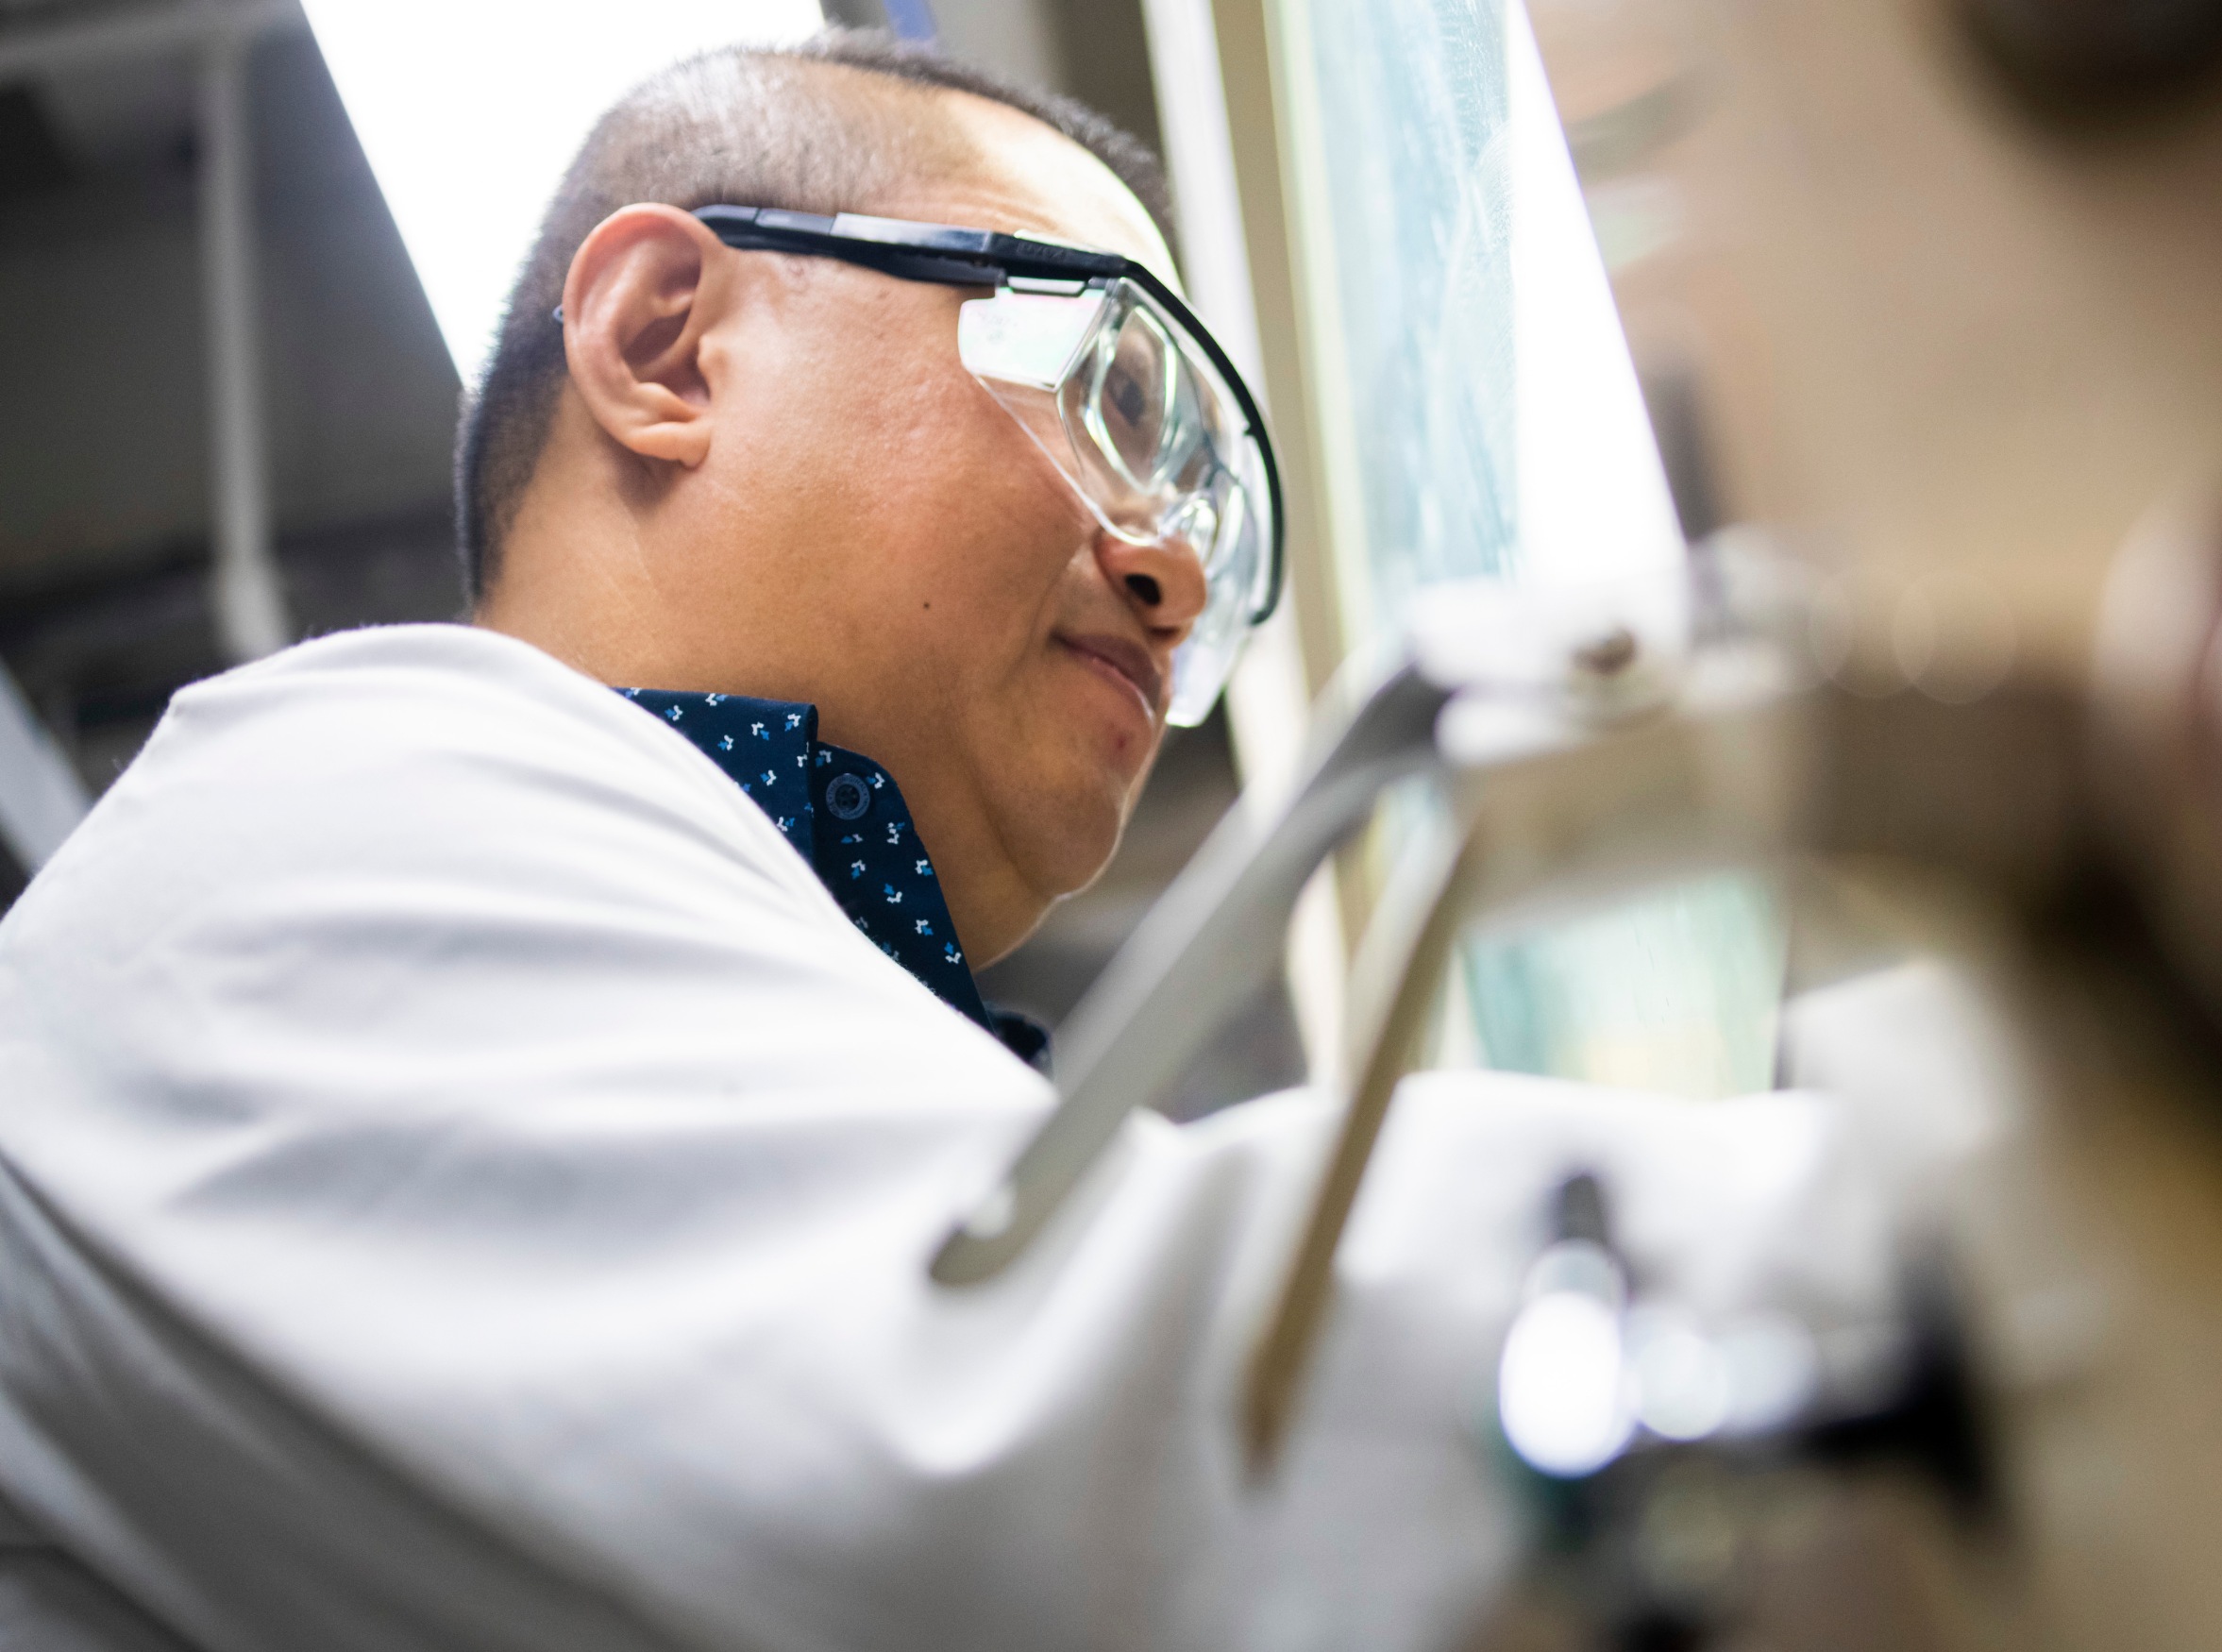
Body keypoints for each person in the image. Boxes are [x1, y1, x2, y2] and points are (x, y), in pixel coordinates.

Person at [0, 34, 1930, 1652]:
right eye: (1111, 386)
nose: (1175, 579)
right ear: (668, 341)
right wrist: (1980, 1240)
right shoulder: (321, 836)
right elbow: (1057, 1453)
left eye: (1225, 539)